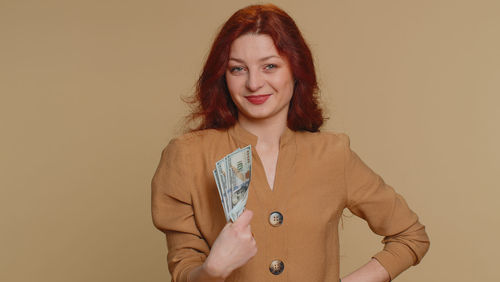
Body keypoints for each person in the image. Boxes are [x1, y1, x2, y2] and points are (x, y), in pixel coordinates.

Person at [151, 4, 430, 282]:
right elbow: (184, 271)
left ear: (296, 69)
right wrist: (213, 270)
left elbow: (410, 236)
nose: (254, 83)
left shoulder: (333, 154)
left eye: (270, 66)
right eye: (237, 69)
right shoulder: (187, 157)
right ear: (223, 77)